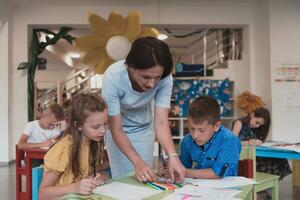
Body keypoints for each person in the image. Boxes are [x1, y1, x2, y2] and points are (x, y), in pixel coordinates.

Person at [102, 36, 185, 183]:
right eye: (146, 77)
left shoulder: (165, 78)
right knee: (122, 181)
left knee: (144, 179)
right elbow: (116, 128)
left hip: (144, 129)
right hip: (118, 131)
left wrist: (173, 156)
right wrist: (137, 162)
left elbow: (160, 122)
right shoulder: (113, 77)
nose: (152, 84)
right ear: (131, 66)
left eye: (157, 77)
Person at [39, 93, 109, 199]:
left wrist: (99, 179)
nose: (103, 131)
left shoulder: (93, 143)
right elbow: (43, 195)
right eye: (96, 127)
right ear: (78, 125)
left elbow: (98, 175)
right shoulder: (63, 150)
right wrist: (74, 188)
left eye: (105, 124)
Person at [161, 96, 241, 179]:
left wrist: (183, 171)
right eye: (191, 128)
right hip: (198, 188)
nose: (195, 135)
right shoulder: (187, 141)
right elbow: (182, 166)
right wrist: (170, 167)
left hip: (226, 188)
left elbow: (217, 174)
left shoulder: (228, 139)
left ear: (216, 126)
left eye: (202, 130)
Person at [231, 107, 292, 179]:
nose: (257, 126)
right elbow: (232, 142)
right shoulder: (239, 123)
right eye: (257, 122)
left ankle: (270, 182)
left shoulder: (256, 128)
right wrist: (248, 142)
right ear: (252, 115)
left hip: (252, 154)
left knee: (279, 158)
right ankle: (266, 184)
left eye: (259, 125)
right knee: (270, 162)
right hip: (242, 157)